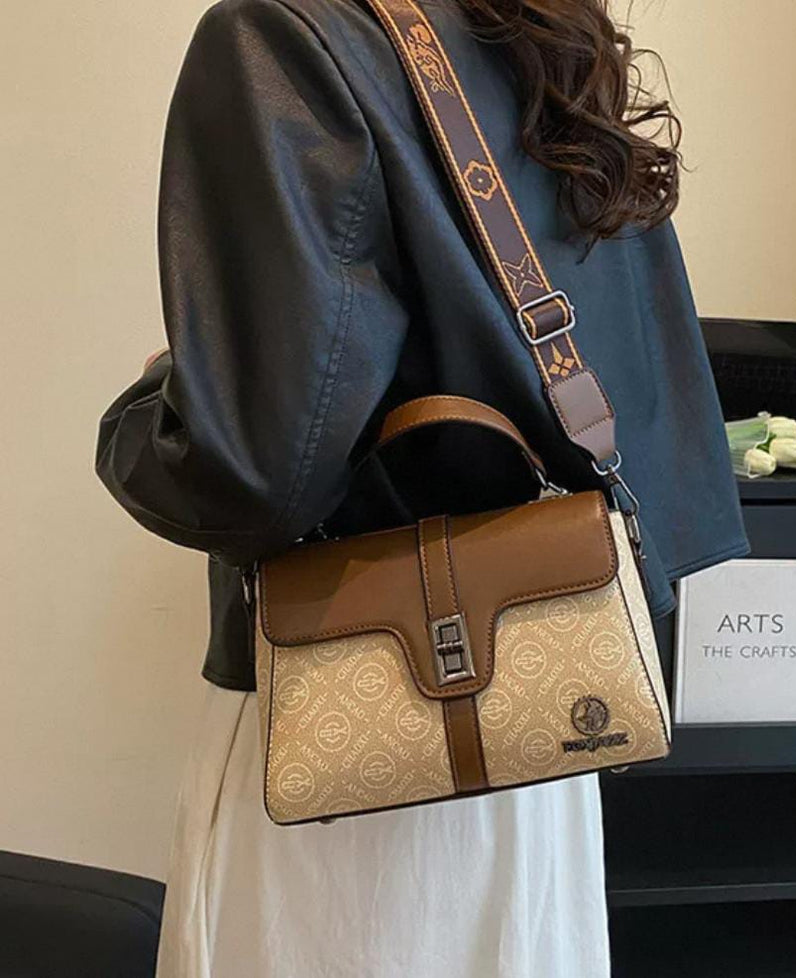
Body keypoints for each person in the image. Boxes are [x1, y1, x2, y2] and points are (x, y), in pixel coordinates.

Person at [96, 1, 748, 975]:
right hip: (540, 727)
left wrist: (145, 414)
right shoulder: (542, 34)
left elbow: (255, 472)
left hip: (346, 746)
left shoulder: (283, 37)